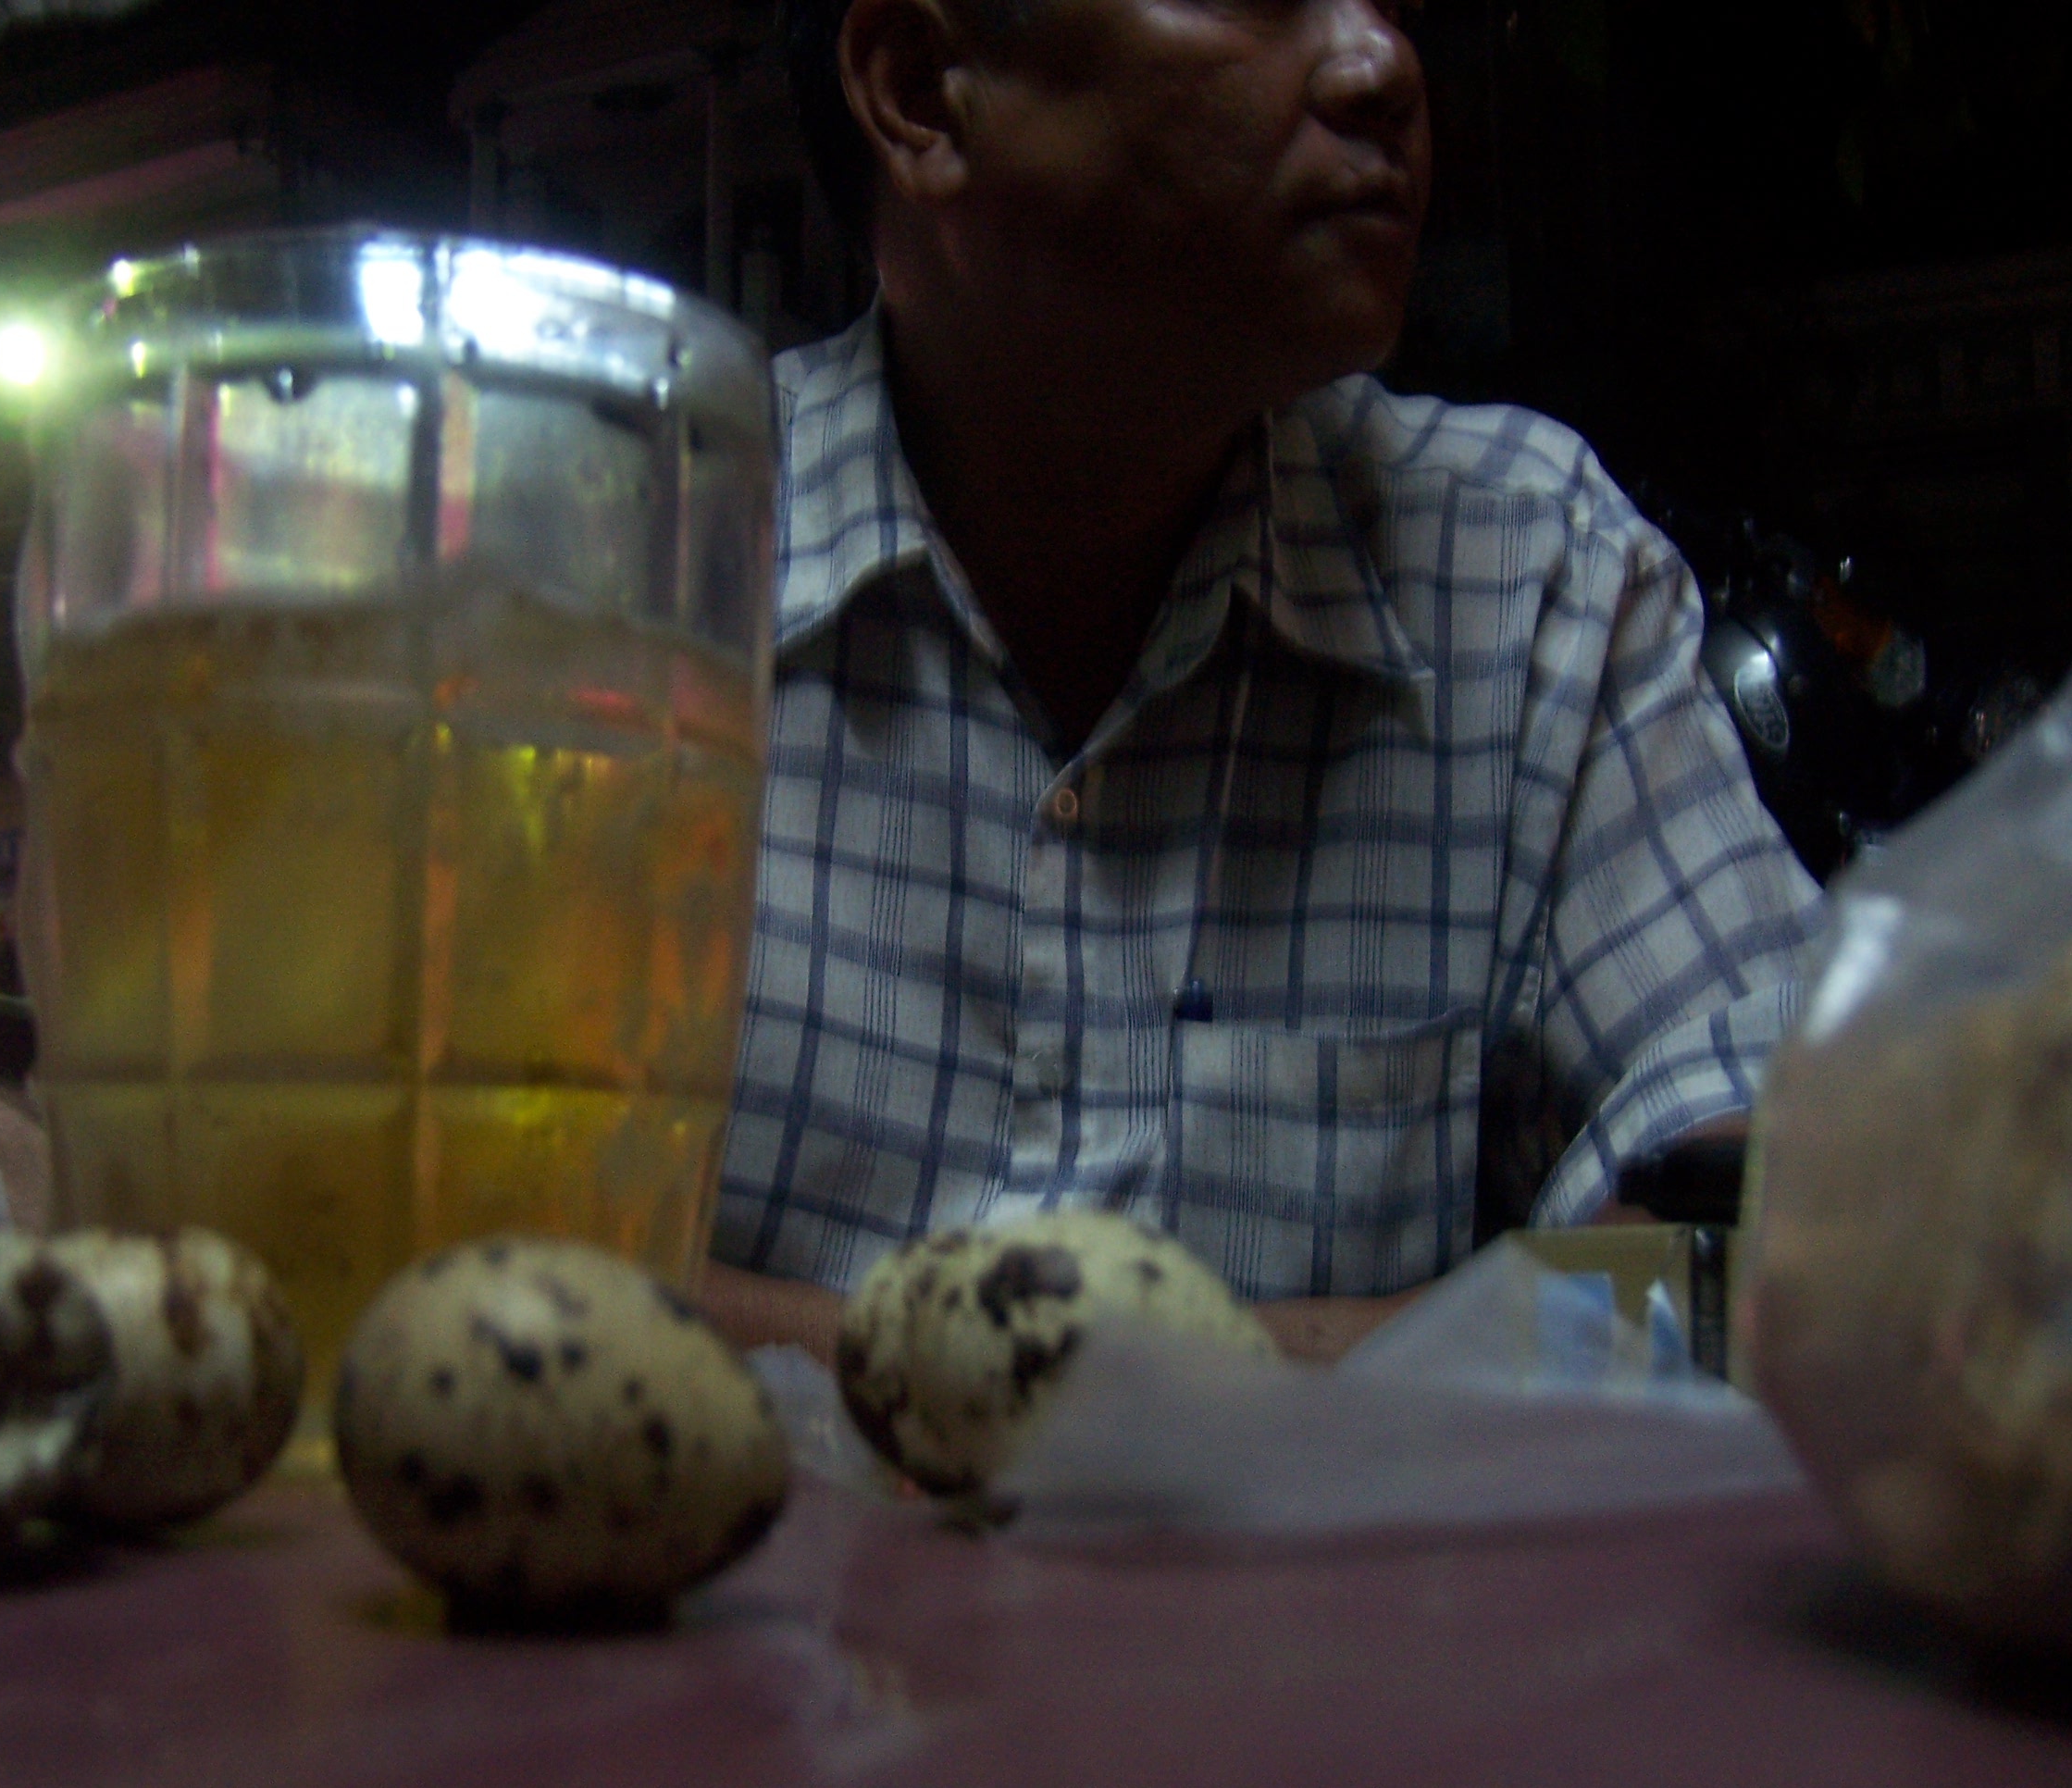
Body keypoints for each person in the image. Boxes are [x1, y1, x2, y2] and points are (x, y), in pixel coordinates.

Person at [687, 0, 1821, 1360]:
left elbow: (1792, 1223)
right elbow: (423, 1246)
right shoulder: (608, 557)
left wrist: (982, 1384)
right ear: (924, 90)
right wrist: (1372, 1363)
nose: (1381, 62)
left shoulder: (1526, 580)